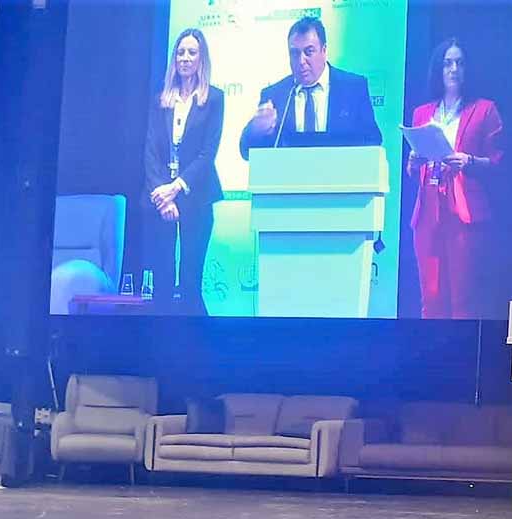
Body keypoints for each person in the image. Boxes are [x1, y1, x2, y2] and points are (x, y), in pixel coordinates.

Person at [407, 38, 503, 319]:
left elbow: (499, 163)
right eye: (447, 63)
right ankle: (430, 346)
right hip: (428, 207)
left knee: (464, 295)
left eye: (460, 63)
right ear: (438, 68)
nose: (453, 69)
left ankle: (462, 346)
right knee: (430, 295)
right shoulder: (422, 113)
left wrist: (468, 161)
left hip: (463, 208)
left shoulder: (484, 109)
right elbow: (415, 170)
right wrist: (414, 163)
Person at [142, 28, 224, 315]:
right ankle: (159, 339)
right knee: (162, 285)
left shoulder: (214, 99)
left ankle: (195, 339)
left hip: (196, 196)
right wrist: (162, 196)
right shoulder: (160, 100)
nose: (185, 58)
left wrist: (175, 187)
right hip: (160, 200)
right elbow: (150, 150)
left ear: (201, 59)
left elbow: (207, 154)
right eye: (180, 52)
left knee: (190, 284)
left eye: (192, 52)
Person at [238, 16, 381, 159]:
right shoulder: (275, 95)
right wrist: (255, 130)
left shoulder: (353, 88)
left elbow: (373, 141)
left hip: (342, 171)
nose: (301, 61)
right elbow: (246, 152)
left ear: (324, 50)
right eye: (295, 53)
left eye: (309, 52)